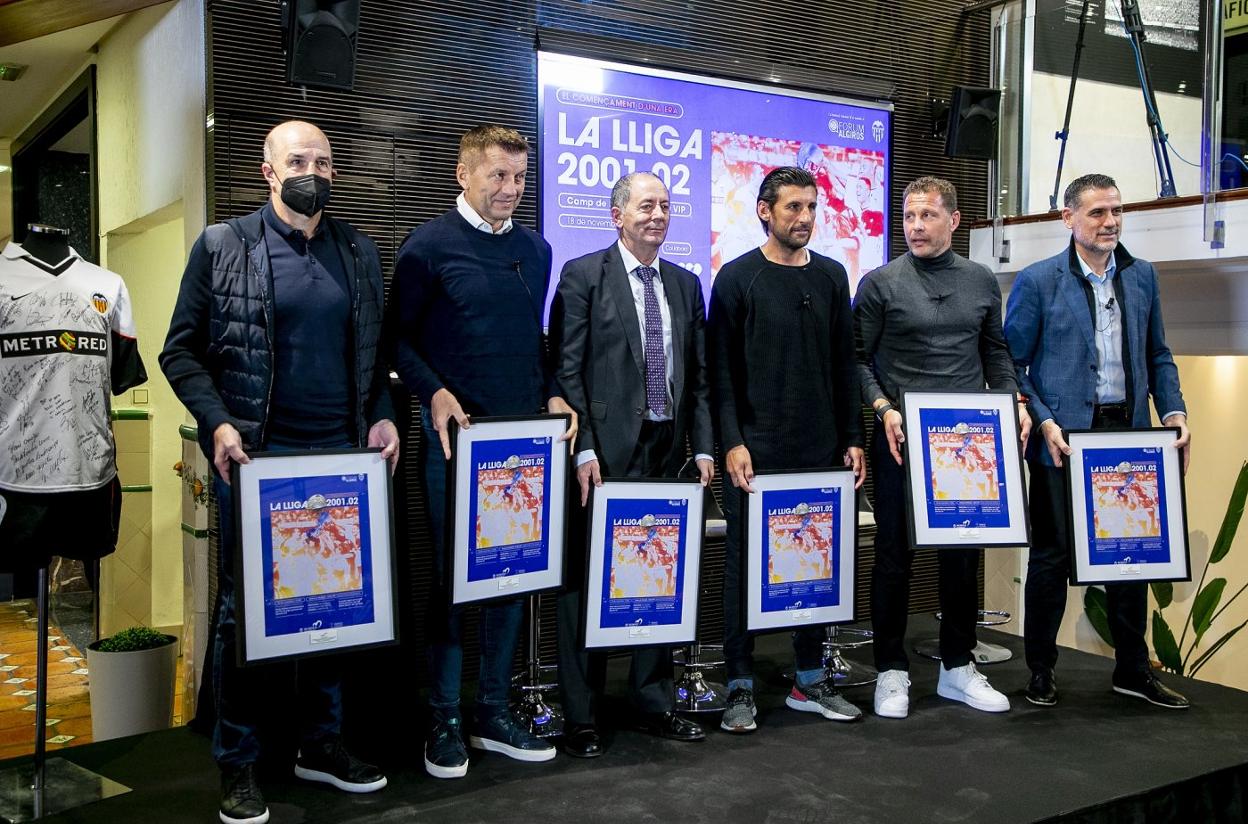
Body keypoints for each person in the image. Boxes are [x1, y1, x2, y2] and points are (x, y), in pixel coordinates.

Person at [161, 120, 398, 824]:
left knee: (333, 609)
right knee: (244, 616)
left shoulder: (356, 250)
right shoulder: (222, 245)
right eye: (298, 159)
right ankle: (239, 762)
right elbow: (181, 352)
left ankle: (319, 746)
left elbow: (376, 354)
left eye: (324, 160)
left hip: (342, 459)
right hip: (260, 463)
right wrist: (218, 422)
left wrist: (382, 414)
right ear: (267, 170)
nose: (313, 170)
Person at [389, 124, 577, 779]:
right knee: (449, 584)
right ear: (463, 175)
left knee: (509, 577)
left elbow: (537, 341)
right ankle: (443, 716)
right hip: (454, 446)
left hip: (519, 449)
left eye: (520, 178)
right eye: (498, 176)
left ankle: (491, 710)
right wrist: (432, 392)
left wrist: (553, 392)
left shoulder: (537, 249)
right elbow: (399, 341)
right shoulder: (427, 248)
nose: (510, 189)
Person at [1004, 173, 1190, 709]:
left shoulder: (1143, 276)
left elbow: (1158, 354)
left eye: (1116, 211)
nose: (1110, 222)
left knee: (1132, 556)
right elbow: (1013, 364)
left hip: (1128, 437)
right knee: (1052, 558)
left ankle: (1132, 671)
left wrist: (1174, 411)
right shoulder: (1038, 281)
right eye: (1097, 213)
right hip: (1062, 440)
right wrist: (1042, 420)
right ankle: (1040, 670)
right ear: (1069, 219)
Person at [853, 176, 1030, 719]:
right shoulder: (880, 282)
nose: (915, 227)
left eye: (927, 216)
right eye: (908, 217)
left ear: (953, 221)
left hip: (965, 442)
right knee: (893, 557)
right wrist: (883, 410)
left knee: (962, 557)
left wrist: (1011, 407)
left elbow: (996, 353)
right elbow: (858, 360)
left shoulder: (979, 282)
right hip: (900, 439)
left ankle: (957, 666)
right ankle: (891, 671)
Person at [548, 172, 712, 757]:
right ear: (617, 215)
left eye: (666, 205)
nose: (658, 215)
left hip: (666, 451)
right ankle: (582, 716)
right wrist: (584, 445)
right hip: (601, 457)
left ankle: (653, 703)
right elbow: (565, 372)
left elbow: (699, 379)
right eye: (646, 206)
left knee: (655, 576)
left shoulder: (687, 285)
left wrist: (702, 445)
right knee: (586, 583)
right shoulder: (583, 275)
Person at [709, 166, 866, 733]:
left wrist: (853, 438)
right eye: (793, 207)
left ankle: (809, 678)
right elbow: (720, 374)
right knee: (744, 571)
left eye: (811, 207)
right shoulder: (736, 278)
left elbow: (844, 365)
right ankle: (740, 686)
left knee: (813, 565)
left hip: (820, 449)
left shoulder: (831, 277)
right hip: (756, 454)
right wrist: (732, 442)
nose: (804, 218)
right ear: (764, 210)